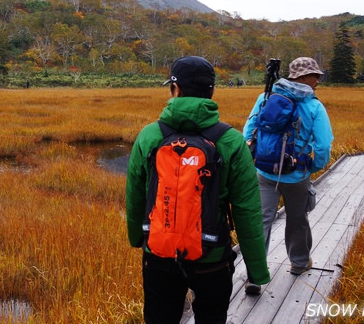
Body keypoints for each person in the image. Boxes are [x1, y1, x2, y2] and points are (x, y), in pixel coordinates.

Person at [126, 56, 270, 324]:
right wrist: (257, 270)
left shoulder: (149, 136)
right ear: (211, 91)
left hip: (159, 253)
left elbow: (135, 197)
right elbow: (247, 210)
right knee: (212, 317)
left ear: (176, 89)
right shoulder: (231, 141)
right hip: (212, 255)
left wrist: (137, 238)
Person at [243, 57, 334, 294]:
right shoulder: (314, 106)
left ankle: (255, 274)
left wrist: (255, 152)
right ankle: (299, 263)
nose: (318, 80)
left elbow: (249, 128)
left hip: (264, 171)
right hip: (297, 174)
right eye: (315, 76)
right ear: (303, 77)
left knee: (261, 220)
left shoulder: (266, 97)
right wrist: (313, 167)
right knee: (297, 218)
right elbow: (323, 146)